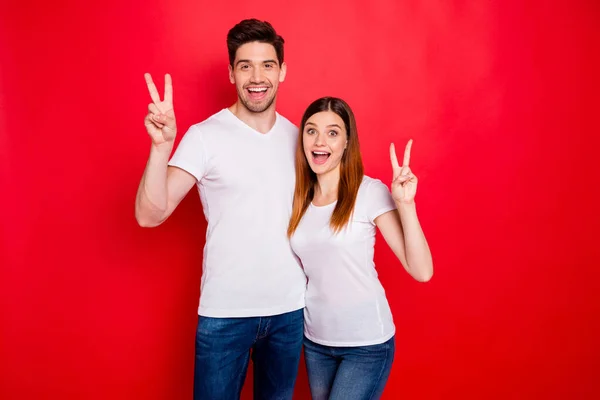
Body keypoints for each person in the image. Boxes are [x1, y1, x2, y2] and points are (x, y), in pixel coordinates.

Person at [135, 19, 307, 400]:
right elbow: (150, 214)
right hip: (225, 314)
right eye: (245, 65)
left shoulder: (300, 140)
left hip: (290, 312)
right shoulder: (205, 137)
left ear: (282, 70)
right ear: (231, 72)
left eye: (267, 64)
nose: (256, 76)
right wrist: (161, 149)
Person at [287, 97, 434, 400]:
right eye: (311, 131)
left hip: (365, 344)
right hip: (316, 341)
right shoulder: (299, 199)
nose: (319, 141)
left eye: (332, 132)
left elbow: (421, 271)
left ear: (346, 142)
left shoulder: (368, 192)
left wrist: (406, 205)